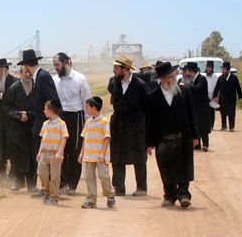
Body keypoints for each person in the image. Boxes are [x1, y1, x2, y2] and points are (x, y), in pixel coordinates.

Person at [145, 61, 200, 207]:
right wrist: (149, 143)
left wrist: (195, 136)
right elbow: (149, 122)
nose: (172, 80)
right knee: (166, 168)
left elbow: (191, 115)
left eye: (173, 76)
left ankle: (183, 194)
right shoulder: (152, 97)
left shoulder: (185, 92)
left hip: (183, 137)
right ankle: (169, 195)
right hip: (163, 140)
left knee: (184, 166)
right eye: (168, 78)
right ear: (161, 79)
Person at [16, 48, 60, 197]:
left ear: (27, 65)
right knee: (43, 159)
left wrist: (51, 123)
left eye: (24, 67)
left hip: (45, 125)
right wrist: (29, 113)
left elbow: (53, 101)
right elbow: (38, 103)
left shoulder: (43, 77)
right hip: (40, 124)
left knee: (45, 159)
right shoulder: (38, 77)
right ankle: (45, 188)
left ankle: (49, 190)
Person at [108, 55, 149, 196]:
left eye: (116, 68)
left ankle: (141, 188)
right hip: (118, 124)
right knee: (117, 156)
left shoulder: (140, 85)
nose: (114, 70)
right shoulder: (113, 83)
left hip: (135, 125)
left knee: (139, 155)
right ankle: (119, 188)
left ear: (125, 69)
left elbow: (146, 108)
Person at [52, 52, 91, 194]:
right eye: (54, 65)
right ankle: (62, 182)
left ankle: (73, 184)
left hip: (77, 117)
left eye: (57, 64)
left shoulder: (80, 79)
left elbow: (87, 102)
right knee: (60, 150)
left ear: (66, 62)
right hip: (60, 117)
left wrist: (87, 123)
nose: (56, 68)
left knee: (74, 151)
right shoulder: (54, 80)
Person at [2, 70, 37, 192]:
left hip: (32, 125)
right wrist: (18, 115)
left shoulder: (36, 86)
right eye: (24, 72)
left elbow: (39, 105)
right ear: (20, 73)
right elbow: (6, 106)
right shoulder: (14, 88)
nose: (27, 74)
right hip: (17, 126)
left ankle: (32, 184)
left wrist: (29, 114)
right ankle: (18, 182)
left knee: (32, 155)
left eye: (29, 72)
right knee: (17, 155)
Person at [79, 96, 115, 209]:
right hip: (89, 155)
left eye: (87, 107)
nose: (86, 110)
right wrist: (81, 153)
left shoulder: (104, 121)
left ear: (93, 108)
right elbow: (85, 138)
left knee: (103, 175)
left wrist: (103, 153)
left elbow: (107, 138)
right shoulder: (88, 122)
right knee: (89, 177)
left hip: (100, 155)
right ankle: (91, 200)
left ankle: (110, 196)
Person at [37, 99, 68, 205]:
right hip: (44, 153)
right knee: (41, 174)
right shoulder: (45, 123)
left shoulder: (61, 124)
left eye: (45, 109)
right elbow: (43, 139)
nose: (44, 111)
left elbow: (64, 138)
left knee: (55, 177)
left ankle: (53, 197)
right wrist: (39, 152)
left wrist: (60, 152)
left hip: (55, 154)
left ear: (51, 110)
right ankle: (46, 191)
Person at [182, 62, 213, 151]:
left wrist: (186, 86)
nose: (187, 74)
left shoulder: (202, 79)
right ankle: (197, 145)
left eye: (188, 71)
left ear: (191, 71)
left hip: (202, 107)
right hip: (195, 107)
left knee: (203, 126)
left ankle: (205, 145)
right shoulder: (193, 79)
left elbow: (197, 89)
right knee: (196, 126)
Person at [215, 61, 242, 131]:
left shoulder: (234, 78)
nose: (223, 70)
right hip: (223, 98)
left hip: (231, 98)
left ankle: (231, 127)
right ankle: (224, 126)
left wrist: (240, 97)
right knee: (223, 113)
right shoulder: (220, 78)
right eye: (222, 69)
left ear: (228, 70)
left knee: (231, 113)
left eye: (224, 69)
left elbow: (238, 87)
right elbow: (216, 88)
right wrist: (215, 96)